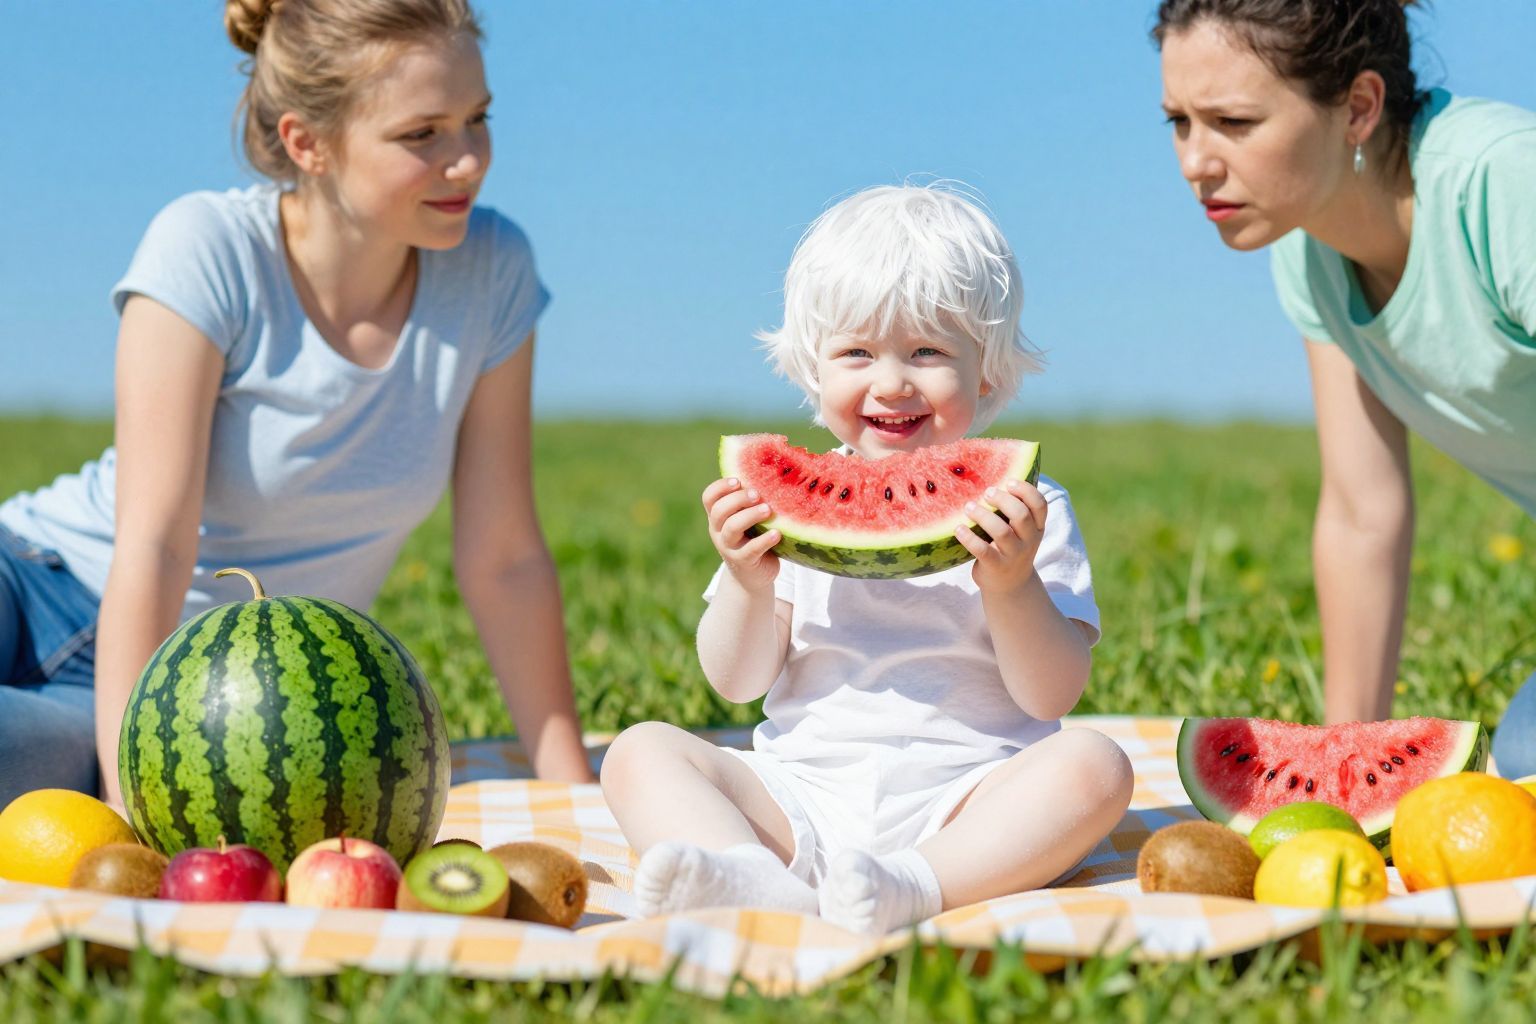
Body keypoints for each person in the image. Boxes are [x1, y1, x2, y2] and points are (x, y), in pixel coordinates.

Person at [0, 0, 594, 811]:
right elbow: (156, 545)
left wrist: (574, 786)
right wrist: (130, 805)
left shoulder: (492, 272)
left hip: (211, 681)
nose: (467, 161)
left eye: (477, 119)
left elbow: (505, 559)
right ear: (306, 143)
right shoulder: (209, 248)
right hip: (41, 582)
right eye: (423, 134)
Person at [599, 184, 1134, 933]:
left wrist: (1011, 585)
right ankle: (750, 879)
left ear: (986, 372)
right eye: (856, 353)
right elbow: (737, 681)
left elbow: (1052, 696)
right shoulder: (779, 514)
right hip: (801, 801)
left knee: (1095, 768)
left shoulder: (1030, 507)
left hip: (973, 806)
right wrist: (750, 585)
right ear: (812, 373)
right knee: (637, 752)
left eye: (928, 352)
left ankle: (915, 887)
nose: (890, 382)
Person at [1155, 0, 1536, 775]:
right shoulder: (1308, 257)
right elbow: (1365, 511)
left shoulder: (1499, 182)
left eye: (1234, 122)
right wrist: (1344, 763)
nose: (1196, 161)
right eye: (1179, 123)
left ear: (1358, 108)